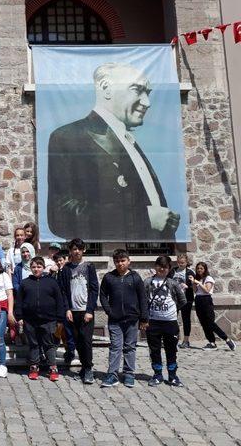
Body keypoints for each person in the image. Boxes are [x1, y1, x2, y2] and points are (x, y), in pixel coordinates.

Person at [47, 62, 180, 240]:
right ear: (106, 88)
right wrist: (142, 218)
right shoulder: (68, 136)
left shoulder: (126, 139)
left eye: (147, 93)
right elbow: (62, 215)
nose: (147, 103)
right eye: (137, 90)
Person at [99, 249, 148, 388]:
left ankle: (129, 374)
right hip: (115, 320)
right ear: (114, 262)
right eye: (117, 261)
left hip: (132, 319)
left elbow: (142, 298)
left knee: (130, 347)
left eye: (122, 261)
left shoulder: (135, 277)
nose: (120, 264)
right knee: (115, 347)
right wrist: (109, 311)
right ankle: (112, 375)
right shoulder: (109, 277)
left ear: (128, 261)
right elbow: (103, 295)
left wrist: (144, 318)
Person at [14, 256, 64, 382]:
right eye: (34, 267)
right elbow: (19, 301)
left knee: (49, 344)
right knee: (34, 344)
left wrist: (59, 318)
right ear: (30, 268)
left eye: (39, 267)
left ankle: (52, 367)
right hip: (30, 320)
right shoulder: (25, 283)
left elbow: (59, 300)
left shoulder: (51, 282)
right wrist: (19, 316)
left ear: (43, 268)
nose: (36, 269)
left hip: (48, 319)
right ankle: (34, 367)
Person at [58, 238, 99, 384]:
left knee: (86, 340)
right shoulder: (66, 269)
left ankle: (88, 368)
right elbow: (62, 290)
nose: (76, 252)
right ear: (70, 251)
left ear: (83, 250)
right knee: (77, 340)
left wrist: (90, 310)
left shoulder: (89, 267)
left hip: (85, 310)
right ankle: (83, 366)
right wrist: (67, 309)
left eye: (79, 249)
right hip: (72, 310)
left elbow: (94, 289)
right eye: (74, 249)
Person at [143, 255, 187, 387]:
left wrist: (172, 312)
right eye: (160, 266)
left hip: (170, 322)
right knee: (154, 349)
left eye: (165, 267)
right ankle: (157, 374)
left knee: (171, 349)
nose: (162, 269)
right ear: (155, 267)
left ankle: (172, 375)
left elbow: (182, 301)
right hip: (153, 322)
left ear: (169, 268)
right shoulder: (147, 282)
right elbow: (143, 301)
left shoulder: (173, 283)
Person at [191, 262, 236, 351]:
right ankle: (212, 342)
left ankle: (227, 339)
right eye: (198, 268)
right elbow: (196, 291)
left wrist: (198, 283)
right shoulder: (198, 278)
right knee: (204, 323)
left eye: (201, 268)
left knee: (210, 323)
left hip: (206, 300)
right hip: (198, 300)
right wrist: (193, 283)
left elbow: (207, 290)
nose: (199, 270)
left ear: (205, 269)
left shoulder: (208, 278)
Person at [170, 253, 196, 348]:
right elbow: (167, 282)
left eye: (182, 263)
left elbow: (194, 286)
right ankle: (173, 339)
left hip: (186, 299)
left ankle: (186, 340)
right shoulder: (173, 271)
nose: (180, 264)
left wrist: (188, 286)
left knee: (186, 320)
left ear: (186, 262)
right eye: (179, 262)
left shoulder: (190, 272)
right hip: (174, 299)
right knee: (172, 319)